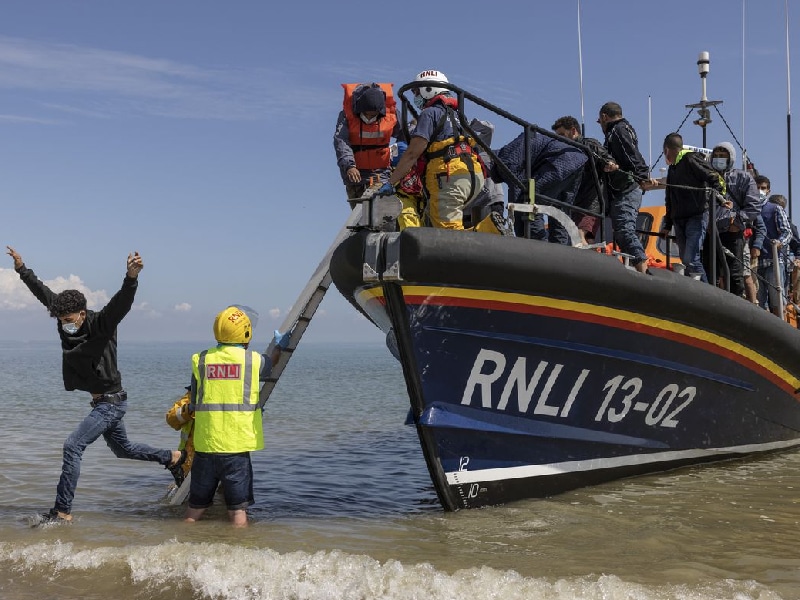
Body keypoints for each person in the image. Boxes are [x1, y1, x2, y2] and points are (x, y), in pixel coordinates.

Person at [5, 246, 185, 524]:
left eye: (68, 321)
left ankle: (62, 512)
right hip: (103, 401)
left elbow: (121, 303)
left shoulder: (102, 322)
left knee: (72, 446)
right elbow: (43, 293)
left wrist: (131, 277)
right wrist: (21, 269)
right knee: (123, 449)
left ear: (81, 313)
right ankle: (172, 458)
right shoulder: (64, 317)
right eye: (61, 321)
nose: (65, 325)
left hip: (112, 402)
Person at [184, 306, 288, 527]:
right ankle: (241, 547)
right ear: (246, 332)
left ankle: (179, 541)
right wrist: (280, 345)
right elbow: (272, 361)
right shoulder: (253, 360)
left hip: (205, 446)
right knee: (237, 512)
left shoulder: (201, 360)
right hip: (236, 449)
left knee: (194, 510)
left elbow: (195, 400)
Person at [381, 70, 506, 234]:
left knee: (447, 233)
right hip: (473, 176)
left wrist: (391, 182)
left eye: (417, 92)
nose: (416, 97)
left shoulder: (429, 113)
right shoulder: (458, 116)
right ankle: (489, 229)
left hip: (448, 176)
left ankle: (489, 229)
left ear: (428, 90)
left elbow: (412, 153)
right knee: (438, 221)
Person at [492, 122, 587, 242]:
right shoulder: (519, 146)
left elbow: (516, 190)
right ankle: (559, 247)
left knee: (531, 202)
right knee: (561, 210)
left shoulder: (505, 159)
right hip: (579, 160)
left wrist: (520, 233)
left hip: (560, 161)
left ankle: (536, 243)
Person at [659, 132, 724, 282]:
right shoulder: (672, 169)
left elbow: (716, 178)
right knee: (685, 259)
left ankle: (707, 292)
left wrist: (719, 197)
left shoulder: (691, 158)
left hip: (696, 215)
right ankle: (697, 290)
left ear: (667, 150)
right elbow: (670, 198)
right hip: (679, 219)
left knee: (691, 258)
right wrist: (667, 225)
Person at [598, 102, 653, 273]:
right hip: (624, 189)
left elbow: (631, 154)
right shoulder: (625, 129)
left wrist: (642, 176)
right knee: (622, 230)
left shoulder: (618, 130)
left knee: (624, 230)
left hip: (626, 189)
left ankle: (643, 271)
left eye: (600, 121)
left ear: (604, 117)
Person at [334, 82, 400, 209]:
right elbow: (341, 141)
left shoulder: (392, 115)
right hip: (355, 176)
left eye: (373, 115)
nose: (369, 118)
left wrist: (400, 162)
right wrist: (349, 166)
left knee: (382, 214)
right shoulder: (346, 116)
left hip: (381, 173)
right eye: (366, 114)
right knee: (359, 215)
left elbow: (404, 137)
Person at [710, 142, 762, 298]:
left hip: (731, 232)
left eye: (722, 156)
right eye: (716, 156)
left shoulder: (743, 177)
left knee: (734, 274)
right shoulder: (707, 177)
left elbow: (753, 206)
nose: (718, 159)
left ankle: (736, 304)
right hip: (710, 233)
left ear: (731, 158)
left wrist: (737, 223)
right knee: (710, 273)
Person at [552, 115, 612, 245]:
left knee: (579, 234)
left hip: (591, 202)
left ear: (573, 131)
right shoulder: (564, 152)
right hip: (577, 203)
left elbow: (604, 156)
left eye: (562, 134)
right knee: (587, 238)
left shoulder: (588, 144)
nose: (559, 139)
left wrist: (610, 163)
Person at [756, 194, 793, 316]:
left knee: (777, 302)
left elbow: (787, 232)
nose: (759, 190)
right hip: (755, 262)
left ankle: (781, 325)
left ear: (768, 190)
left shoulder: (775, 209)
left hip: (773, 260)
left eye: (762, 187)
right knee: (759, 303)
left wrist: (779, 243)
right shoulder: (749, 208)